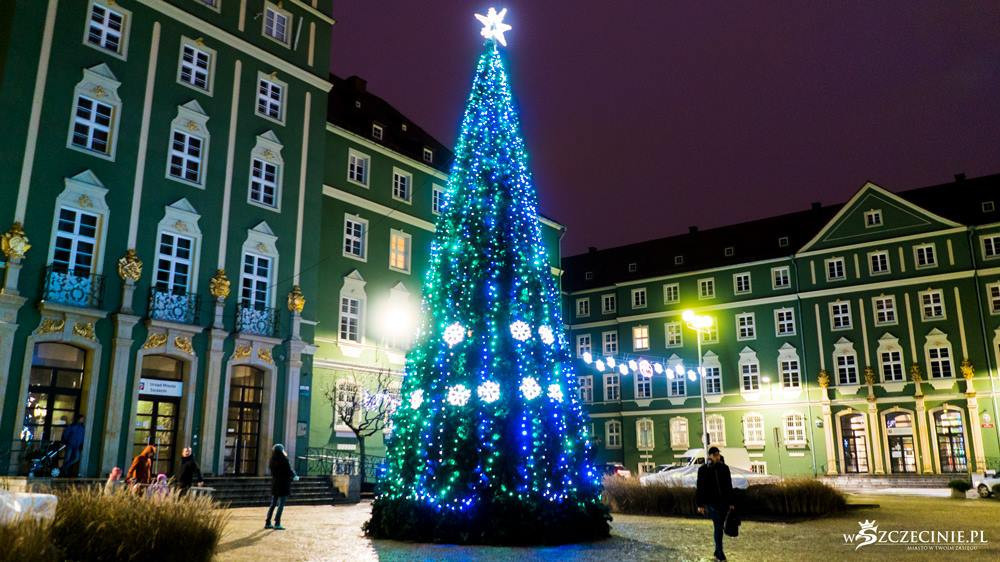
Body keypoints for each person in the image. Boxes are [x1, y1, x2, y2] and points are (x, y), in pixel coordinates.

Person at [696, 446, 735, 562]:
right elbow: (700, 488)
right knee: (718, 526)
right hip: (711, 504)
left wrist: (731, 502)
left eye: (718, 455)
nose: (718, 457)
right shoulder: (703, 469)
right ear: (710, 456)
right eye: (716, 455)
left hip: (723, 503)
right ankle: (720, 554)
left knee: (719, 527)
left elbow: (729, 486)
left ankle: (717, 551)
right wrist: (700, 505)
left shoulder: (724, 468)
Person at [265, 444, 298, 530]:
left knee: (273, 504)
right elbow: (289, 470)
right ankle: (277, 522)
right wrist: (295, 476)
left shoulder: (272, 460)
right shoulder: (284, 460)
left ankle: (268, 522)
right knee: (281, 504)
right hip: (283, 484)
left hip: (275, 484)